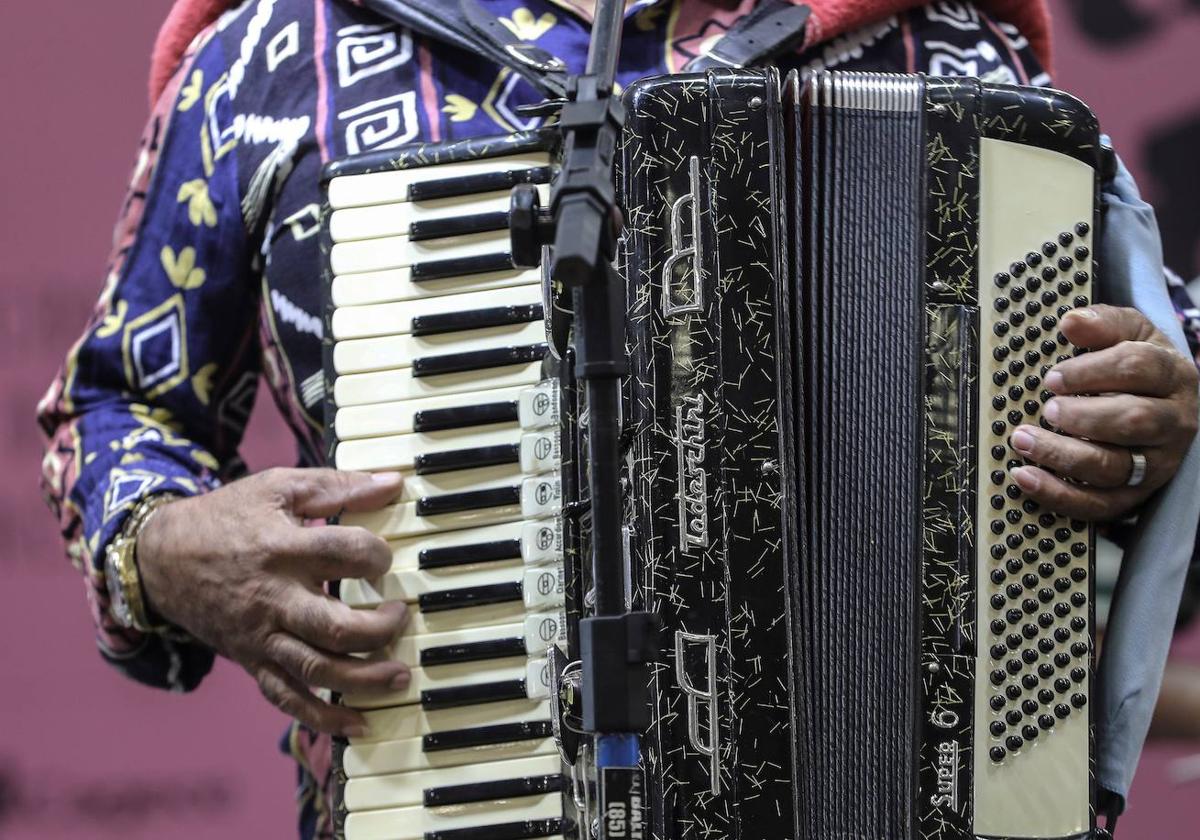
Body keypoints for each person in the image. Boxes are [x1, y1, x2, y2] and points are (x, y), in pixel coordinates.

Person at [36, 0, 1200, 836]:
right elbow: (117, 403)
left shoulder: (964, 58)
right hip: (450, 798)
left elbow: (1153, 412)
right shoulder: (280, 53)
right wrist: (165, 547)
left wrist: (1153, 434)